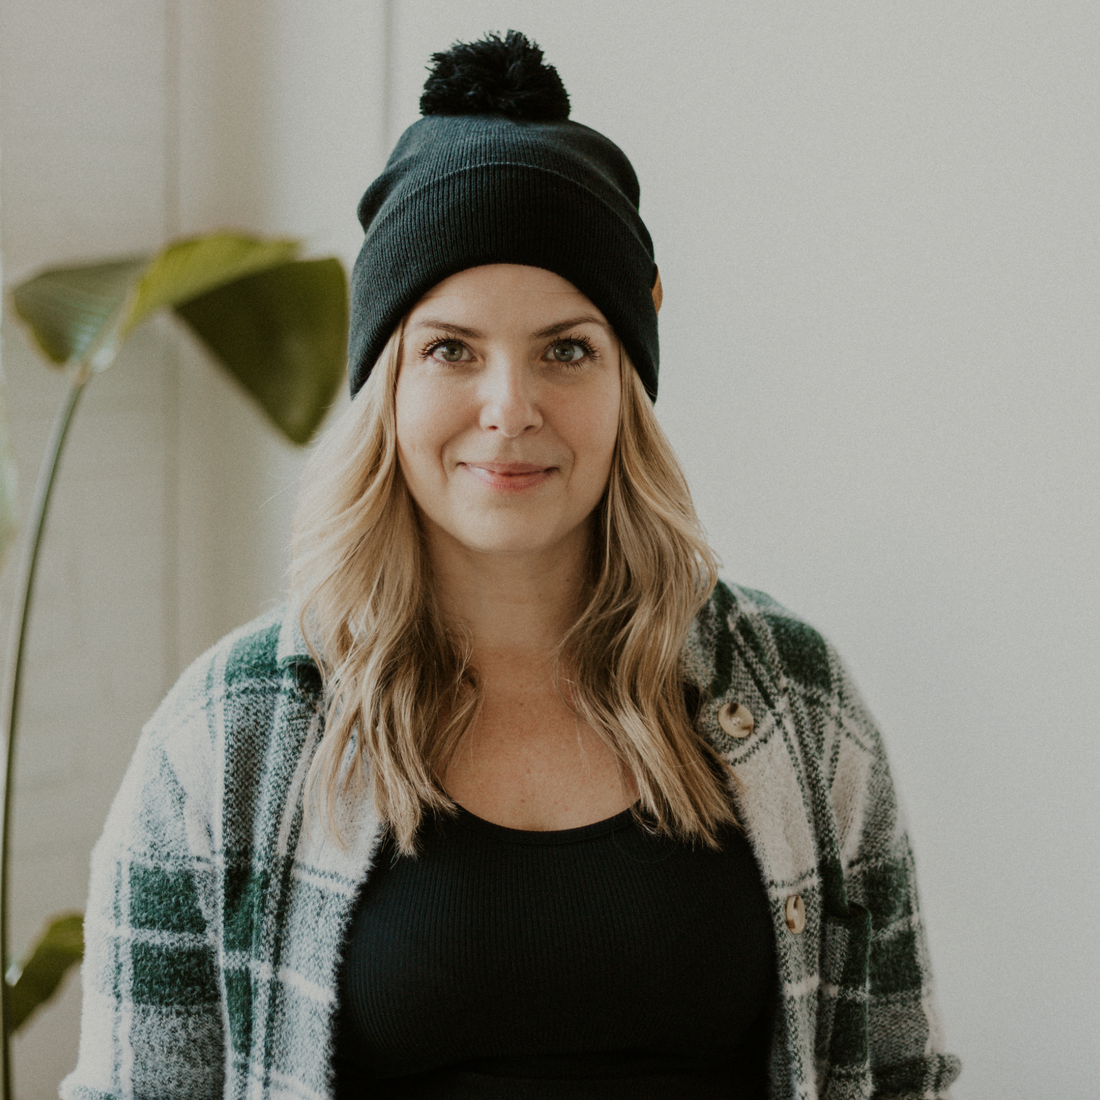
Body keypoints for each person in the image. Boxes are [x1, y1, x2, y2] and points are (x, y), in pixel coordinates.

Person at [62, 31, 960, 1100]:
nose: (509, 407)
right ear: (386, 383)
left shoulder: (799, 705)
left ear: (626, 378)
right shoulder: (223, 743)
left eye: (565, 348)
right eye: (450, 348)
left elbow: (899, 1073)